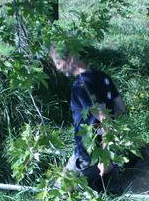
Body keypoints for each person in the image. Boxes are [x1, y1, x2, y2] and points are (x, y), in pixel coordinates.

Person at [49, 44, 126, 191]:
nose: (58, 68)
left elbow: (106, 120)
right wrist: (99, 129)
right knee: (111, 199)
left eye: (58, 62)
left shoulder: (81, 85)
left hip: (88, 156)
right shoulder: (103, 76)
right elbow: (120, 108)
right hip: (106, 150)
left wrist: (105, 156)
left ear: (70, 58)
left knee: (58, 195)